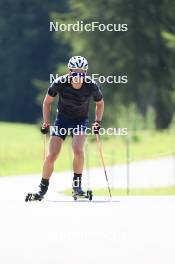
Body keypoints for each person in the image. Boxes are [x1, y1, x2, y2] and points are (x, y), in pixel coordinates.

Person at [26, 56, 104, 201]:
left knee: (78, 150)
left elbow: (100, 103)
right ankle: (42, 188)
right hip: (62, 120)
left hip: (80, 121)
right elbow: (47, 102)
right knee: (52, 155)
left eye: (82, 73)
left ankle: (77, 186)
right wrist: (46, 122)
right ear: (69, 71)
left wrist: (97, 122)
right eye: (75, 73)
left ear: (85, 73)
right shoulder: (60, 83)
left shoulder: (91, 85)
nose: (78, 77)